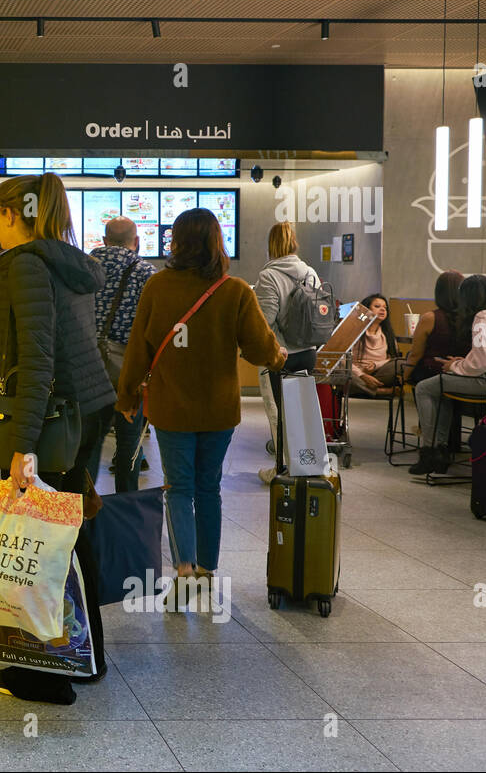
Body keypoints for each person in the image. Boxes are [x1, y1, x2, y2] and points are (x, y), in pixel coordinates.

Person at [0, 172, 115, 706]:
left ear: (16, 215)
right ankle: (89, 657)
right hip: (85, 411)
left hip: (54, 422)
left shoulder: (28, 266)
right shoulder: (68, 261)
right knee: (70, 536)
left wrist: (24, 445)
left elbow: (36, 362)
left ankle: (49, 674)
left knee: (42, 544)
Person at [117, 209, 284, 607]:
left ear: (175, 241)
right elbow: (263, 350)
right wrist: (278, 357)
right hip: (219, 411)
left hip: (171, 408)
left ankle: (184, 571)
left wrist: (126, 398)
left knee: (179, 489)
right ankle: (208, 570)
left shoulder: (157, 287)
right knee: (209, 488)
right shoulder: (235, 291)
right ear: (216, 241)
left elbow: (138, 348)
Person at [410, 275, 486, 475]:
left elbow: (483, 360)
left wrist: (455, 366)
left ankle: (431, 452)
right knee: (440, 388)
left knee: (425, 387)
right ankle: (440, 450)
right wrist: (462, 363)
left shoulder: (483, 316)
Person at [86, 216, 155, 492]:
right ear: (136, 242)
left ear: (103, 241)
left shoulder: (83, 269)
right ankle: (126, 507)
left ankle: (84, 509)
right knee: (129, 445)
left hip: (88, 368)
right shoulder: (145, 272)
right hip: (129, 369)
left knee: (89, 444)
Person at [254, 221, 322, 480]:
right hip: (308, 350)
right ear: (295, 243)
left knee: (279, 415)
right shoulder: (310, 273)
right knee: (303, 412)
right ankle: (305, 463)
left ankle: (281, 469)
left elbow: (265, 320)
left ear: (270, 245)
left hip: (280, 355)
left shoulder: (268, 276)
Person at [400, 270, 464, 386]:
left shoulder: (430, 318)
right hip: (463, 374)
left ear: (439, 293)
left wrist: (403, 378)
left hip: (432, 372)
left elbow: (416, 354)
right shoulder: (474, 318)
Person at [348, 293, 401, 396]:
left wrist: (376, 365)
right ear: (366, 309)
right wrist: (362, 375)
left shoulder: (387, 333)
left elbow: (392, 358)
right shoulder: (354, 331)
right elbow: (342, 360)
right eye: (377, 306)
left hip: (378, 374)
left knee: (400, 363)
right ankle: (378, 391)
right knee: (340, 372)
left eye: (385, 307)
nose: (382, 310)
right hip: (356, 373)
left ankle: (363, 389)